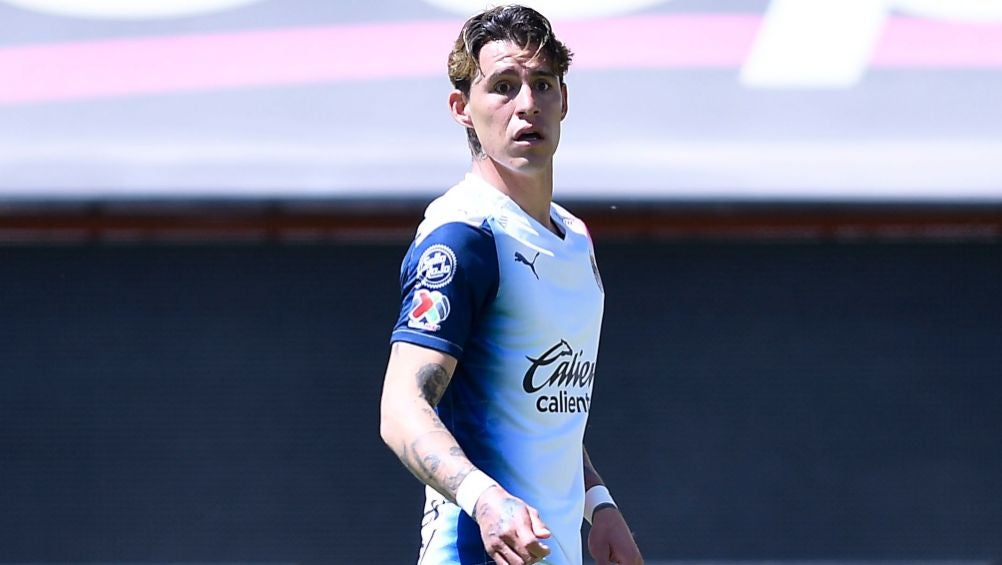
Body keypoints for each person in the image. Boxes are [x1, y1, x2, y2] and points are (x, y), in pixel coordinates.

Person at [379, 5, 644, 565]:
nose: (527, 103)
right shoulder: (463, 237)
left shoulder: (574, 238)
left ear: (564, 101)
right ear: (462, 109)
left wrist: (598, 504)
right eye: (503, 86)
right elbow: (401, 406)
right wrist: (484, 499)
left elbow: (539, 410)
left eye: (542, 84)